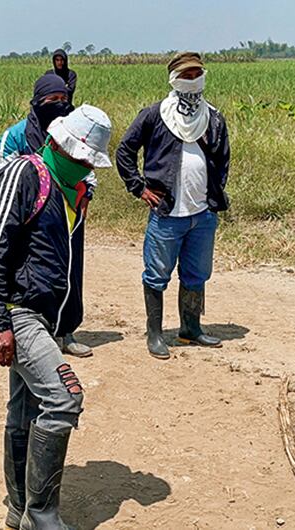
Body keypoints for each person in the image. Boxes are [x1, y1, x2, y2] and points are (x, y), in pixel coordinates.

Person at [0, 105, 112, 530]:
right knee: (64, 398)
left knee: (25, 412)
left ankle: (19, 512)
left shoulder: (70, 189)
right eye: (83, 159)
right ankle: (42, 515)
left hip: (44, 318)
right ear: (60, 145)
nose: (88, 168)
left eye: (91, 162)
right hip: (19, 313)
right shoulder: (24, 175)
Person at [116, 52, 230, 360]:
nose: (192, 81)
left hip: (202, 215)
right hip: (167, 214)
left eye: (197, 74)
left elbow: (222, 160)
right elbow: (125, 150)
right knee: (157, 274)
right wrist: (139, 187)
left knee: (197, 273)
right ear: (173, 80)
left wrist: (213, 195)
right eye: (186, 76)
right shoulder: (155, 115)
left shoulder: (214, 118)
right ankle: (154, 333)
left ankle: (190, 327)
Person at [0, 74, 96, 358]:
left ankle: (67, 331)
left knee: (71, 272)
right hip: (32, 221)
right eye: (52, 100)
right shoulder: (16, 135)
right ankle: (37, 332)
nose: (59, 105)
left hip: (70, 216)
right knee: (34, 274)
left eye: (64, 99)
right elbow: (5, 173)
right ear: (37, 101)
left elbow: (88, 166)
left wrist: (87, 194)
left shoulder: (72, 132)